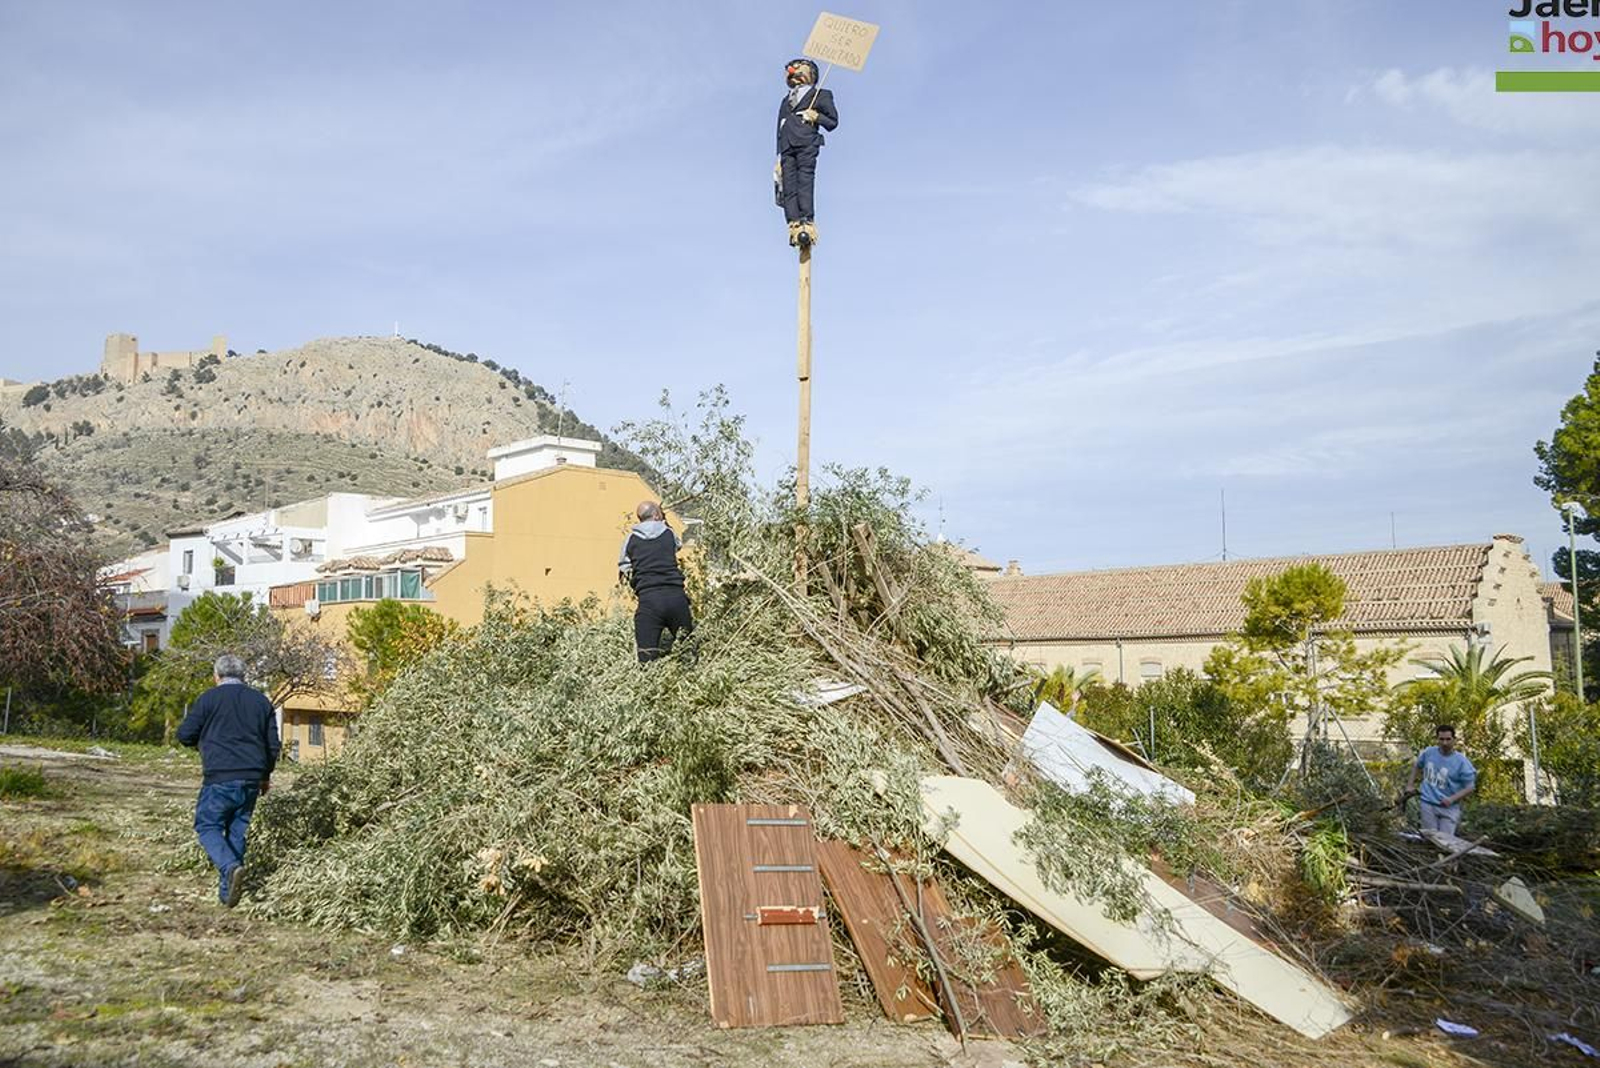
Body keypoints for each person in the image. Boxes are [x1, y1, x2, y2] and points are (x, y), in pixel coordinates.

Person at [176, 653, 280, 907]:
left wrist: (204, 743)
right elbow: (273, 745)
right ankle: (228, 894)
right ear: (244, 676)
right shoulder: (261, 701)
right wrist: (265, 776)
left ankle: (229, 866)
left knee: (207, 825)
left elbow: (185, 734)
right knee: (237, 831)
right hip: (252, 777)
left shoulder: (208, 699)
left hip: (220, 776)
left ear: (217, 676)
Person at [618, 501, 694, 663]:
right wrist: (664, 522)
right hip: (676, 599)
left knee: (646, 657)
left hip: (649, 601)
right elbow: (677, 545)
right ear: (657, 515)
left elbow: (624, 567)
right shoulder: (668, 533)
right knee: (688, 651)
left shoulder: (630, 539)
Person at [775, 57, 838, 249]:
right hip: (787, 145)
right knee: (788, 185)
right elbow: (779, 127)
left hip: (806, 142)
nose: (793, 71)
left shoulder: (821, 94)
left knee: (804, 180)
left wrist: (816, 116)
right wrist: (778, 155)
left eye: (799, 68)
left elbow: (832, 122)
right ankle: (793, 223)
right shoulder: (785, 100)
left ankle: (806, 220)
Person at [1404, 724, 1477, 837]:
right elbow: (1417, 765)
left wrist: (1452, 799)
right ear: (1437, 739)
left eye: (1448, 739)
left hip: (1449, 807)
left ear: (1454, 740)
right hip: (1428, 803)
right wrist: (1410, 785)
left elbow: (1470, 787)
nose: (1444, 743)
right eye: (1441, 739)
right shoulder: (1429, 753)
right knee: (1429, 838)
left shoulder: (1462, 762)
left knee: (1445, 840)